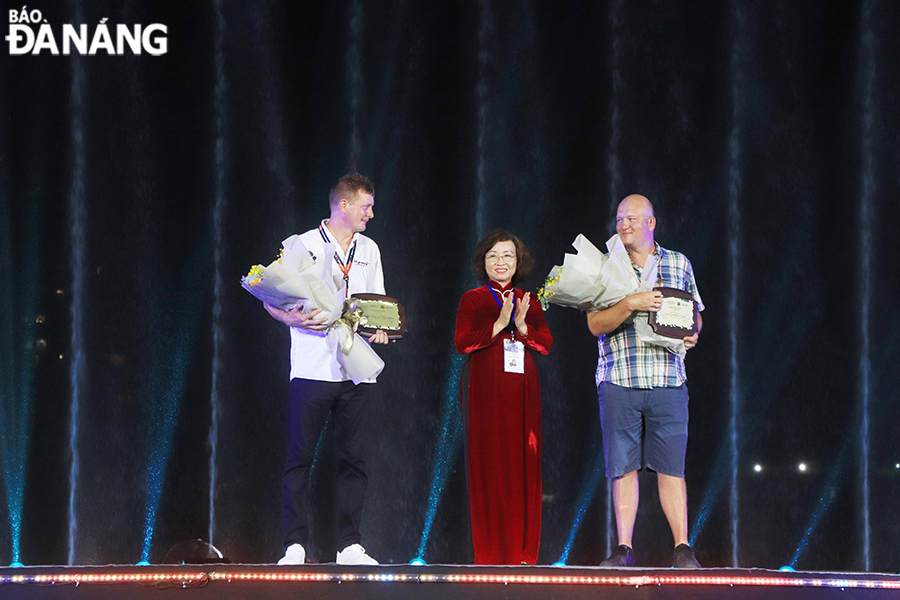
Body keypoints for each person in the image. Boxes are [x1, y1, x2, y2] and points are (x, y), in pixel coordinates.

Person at [264, 173, 390, 566]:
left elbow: (379, 303)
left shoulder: (369, 248)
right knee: (299, 457)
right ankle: (294, 544)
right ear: (344, 205)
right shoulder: (303, 244)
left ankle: (350, 544)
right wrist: (289, 319)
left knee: (354, 458)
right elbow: (269, 294)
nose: (371, 213)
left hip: (356, 368)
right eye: (366, 206)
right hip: (312, 366)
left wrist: (382, 329)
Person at [586, 194, 704, 569]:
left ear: (651, 223)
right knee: (622, 467)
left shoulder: (678, 263)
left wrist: (693, 332)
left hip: (668, 379)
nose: (624, 225)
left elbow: (695, 314)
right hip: (619, 377)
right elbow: (594, 325)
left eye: (632, 219)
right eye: (620, 219)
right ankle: (623, 548)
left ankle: (682, 548)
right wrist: (631, 304)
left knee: (672, 467)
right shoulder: (605, 266)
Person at [454, 229, 553, 565]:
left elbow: (546, 344)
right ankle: (490, 555)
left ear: (518, 261)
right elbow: (462, 343)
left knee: (523, 463)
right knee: (488, 464)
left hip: (522, 391)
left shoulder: (529, 299)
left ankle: (524, 554)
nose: (501, 262)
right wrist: (498, 324)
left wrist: (523, 329)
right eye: (493, 255)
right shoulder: (473, 299)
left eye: (508, 255)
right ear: (484, 262)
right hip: (483, 388)